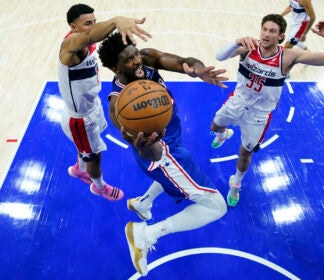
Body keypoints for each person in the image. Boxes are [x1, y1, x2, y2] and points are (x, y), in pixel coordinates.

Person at [98, 32, 228, 275]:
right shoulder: (118, 103)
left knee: (171, 176)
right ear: (115, 68)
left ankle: (142, 204)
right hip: (158, 150)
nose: (137, 60)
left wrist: (196, 69)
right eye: (129, 60)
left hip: (171, 133)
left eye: (135, 53)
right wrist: (151, 149)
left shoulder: (145, 59)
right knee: (215, 207)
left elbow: (181, 62)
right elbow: (143, 148)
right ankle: (145, 235)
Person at [210, 14, 324, 207]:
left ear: (280, 36)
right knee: (215, 125)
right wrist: (236, 41)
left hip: (259, 115)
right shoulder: (248, 48)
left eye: (272, 31)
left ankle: (236, 183)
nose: (267, 34)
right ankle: (224, 133)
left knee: (245, 153)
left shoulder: (289, 56)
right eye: (264, 29)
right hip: (237, 102)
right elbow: (219, 56)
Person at [58, 3, 151, 201]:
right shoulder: (71, 46)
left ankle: (79, 166)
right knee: (95, 155)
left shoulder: (86, 44)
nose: (91, 27)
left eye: (94, 22)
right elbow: (89, 36)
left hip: (92, 106)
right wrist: (117, 20)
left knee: (87, 147)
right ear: (73, 27)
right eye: (86, 24)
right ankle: (98, 186)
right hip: (80, 119)